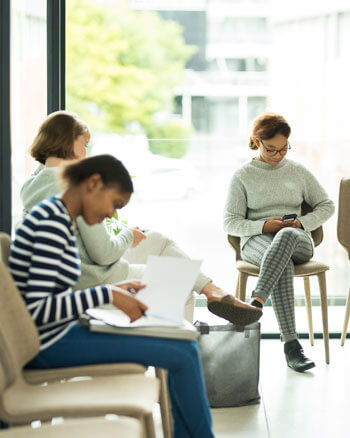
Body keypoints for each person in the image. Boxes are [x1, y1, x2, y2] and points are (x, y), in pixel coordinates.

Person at [10, 154, 214, 438]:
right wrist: (105, 294)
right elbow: (38, 310)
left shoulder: (56, 215)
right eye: (114, 204)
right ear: (93, 184)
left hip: (59, 332)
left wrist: (112, 291)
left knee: (182, 342)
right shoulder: (51, 224)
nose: (111, 215)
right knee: (182, 350)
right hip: (48, 342)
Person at [21, 110, 261, 326]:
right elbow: (103, 254)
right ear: (68, 143)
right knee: (182, 281)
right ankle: (178, 352)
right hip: (97, 277)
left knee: (156, 240)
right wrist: (127, 236)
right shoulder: (74, 187)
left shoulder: (32, 184)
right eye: (84, 144)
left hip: (88, 268)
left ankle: (213, 290)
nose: (86, 152)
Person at [223, 112, 335, 372]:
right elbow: (230, 222)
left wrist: (301, 223)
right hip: (256, 241)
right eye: (272, 149)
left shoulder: (298, 171)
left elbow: (326, 205)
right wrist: (263, 225)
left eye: (284, 149)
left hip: (297, 239)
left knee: (283, 238)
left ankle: (256, 302)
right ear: (256, 141)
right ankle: (292, 346)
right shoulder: (243, 175)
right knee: (278, 259)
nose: (278, 155)